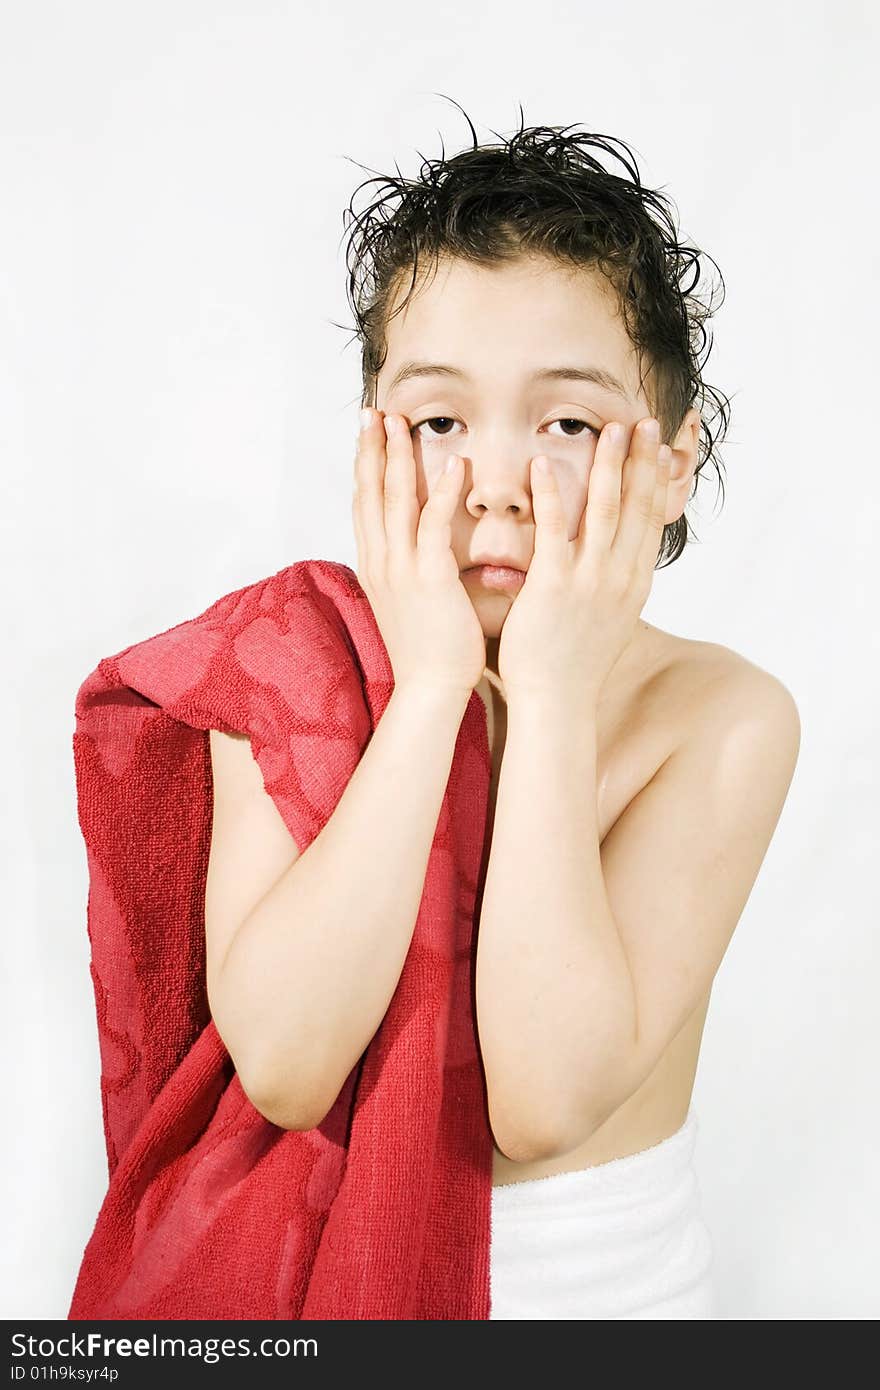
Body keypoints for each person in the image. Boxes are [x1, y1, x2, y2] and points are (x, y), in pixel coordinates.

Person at [203, 107, 801, 1319]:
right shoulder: (282, 671)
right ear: (376, 440)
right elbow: (283, 1065)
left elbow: (537, 1099)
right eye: (438, 421)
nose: (493, 482)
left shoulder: (720, 716)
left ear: (672, 461)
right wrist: (428, 691)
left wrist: (554, 690)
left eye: (567, 422)